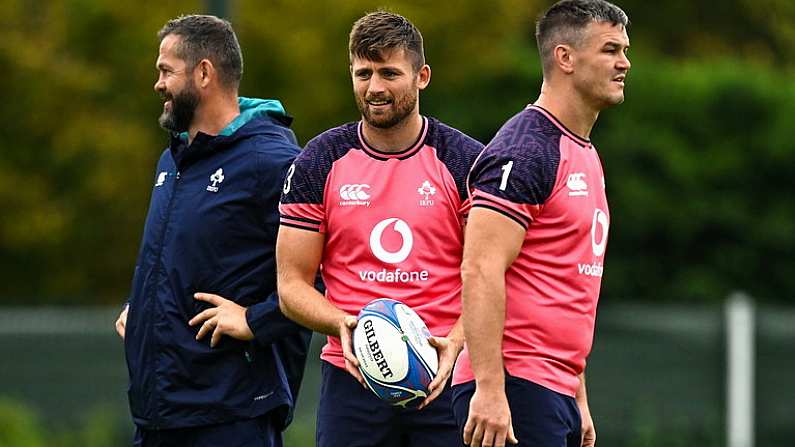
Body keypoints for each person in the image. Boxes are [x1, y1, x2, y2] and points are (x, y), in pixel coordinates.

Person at [276, 11, 483, 447]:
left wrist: (458, 342)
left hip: (448, 374)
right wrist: (342, 325)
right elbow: (291, 284)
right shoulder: (320, 160)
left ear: (422, 76)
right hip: (354, 378)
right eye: (363, 73)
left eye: (389, 73)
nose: (375, 88)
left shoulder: (466, 162)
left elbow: (496, 273)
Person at [114, 15, 312, 447]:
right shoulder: (173, 160)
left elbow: (322, 273)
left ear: (204, 73)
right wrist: (142, 304)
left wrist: (256, 320)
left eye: (166, 70)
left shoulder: (272, 161)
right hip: (158, 413)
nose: (158, 84)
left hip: (230, 415)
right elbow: (184, 255)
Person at [451, 1, 631, 446]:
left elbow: (565, 284)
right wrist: (491, 390)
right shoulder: (527, 149)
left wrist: (577, 393)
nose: (624, 63)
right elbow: (479, 269)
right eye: (610, 50)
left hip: (553, 388)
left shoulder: (584, 153)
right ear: (565, 57)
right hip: (515, 386)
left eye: (625, 50)